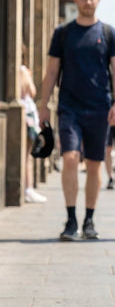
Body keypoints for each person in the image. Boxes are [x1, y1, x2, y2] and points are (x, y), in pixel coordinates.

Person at [39, 0, 115, 240]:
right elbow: (52, 71)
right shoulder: (63, 33)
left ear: (98, 1)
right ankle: (70, 219)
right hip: (69, 107)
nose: (88, 2)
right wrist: (42, 106)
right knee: (70, 159)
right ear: (75, 0)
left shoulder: (109, 33)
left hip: (99, 107)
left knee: (95, 165)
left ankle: (89, 219)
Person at [20, 47, 47, 203]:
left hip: (25, 113)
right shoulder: (23, 71)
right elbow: (32, 90)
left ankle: (28, 188)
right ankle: (28, 189)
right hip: (27, 113)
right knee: (27, 155)